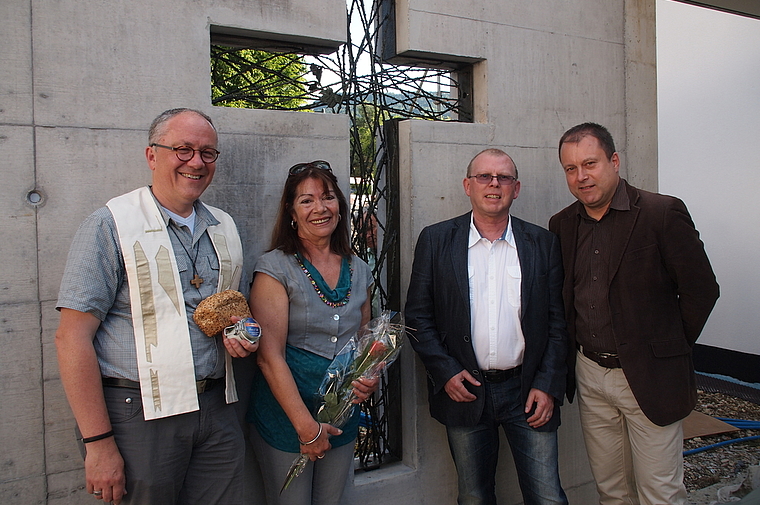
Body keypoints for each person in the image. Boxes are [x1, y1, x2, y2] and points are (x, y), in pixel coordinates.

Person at [55, 108, 258, 505]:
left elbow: (232, 312)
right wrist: (97, 443)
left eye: (208, 153)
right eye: (182, 149)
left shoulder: (225, 226)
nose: (196, 162)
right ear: (152, 155)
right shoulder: (110, 224)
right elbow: (71, 338)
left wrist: (244, 333)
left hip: (216, 407)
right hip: (138, 414)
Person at [549, 122, 720, 505]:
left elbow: (702, 290)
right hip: (590, 375)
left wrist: (667, 348)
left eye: (590, 163)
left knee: (659, 492)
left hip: (649, 374)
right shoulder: (562, 225)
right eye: (571, 168)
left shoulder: (661, 213)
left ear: (614, 161)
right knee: (611, 490)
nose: (581, 176)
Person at [405, 148, 569, 505]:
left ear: (516, 188)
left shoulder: (543, 243)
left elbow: (559, 322)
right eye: (484, 176)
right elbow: (417, 317)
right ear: (467, 185)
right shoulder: (435, 241)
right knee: (474, 497)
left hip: (528, 392)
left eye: (504, 177)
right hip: (465, 390)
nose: (494, 184)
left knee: (548, 497)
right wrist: (446, 372)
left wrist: (548, 385)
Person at [246, 160, 376, 505]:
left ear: (340, 206)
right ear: (291, 211)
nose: (320, 208)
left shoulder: (359, 269)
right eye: (306, 200)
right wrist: (306, 427)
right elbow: (268, 357)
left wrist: (367, 377)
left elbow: (363, 343)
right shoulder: (274, 268)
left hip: (340, 416)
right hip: (287, 418)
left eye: (328, 197)